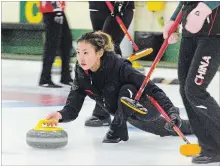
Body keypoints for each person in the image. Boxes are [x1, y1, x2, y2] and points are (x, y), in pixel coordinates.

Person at [44, 31, 193, 144]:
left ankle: (116, 128)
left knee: (126, 89)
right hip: (128, 116)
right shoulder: (81, 73)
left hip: (145, 108)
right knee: (169, 129)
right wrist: (60, 115)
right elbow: (72, 107)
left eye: (86, 52)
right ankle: (199, 125)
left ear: (99, 53)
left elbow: (152, 89)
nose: (81, 58)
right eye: (78, 52)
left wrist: (172, 112)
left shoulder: (120, 67)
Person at [163, 1, 220, 164]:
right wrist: (174, 20)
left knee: (194, 90)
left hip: (212, 34)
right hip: (190, 33)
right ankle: (210, 146)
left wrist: (204, 9)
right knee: (185, 90)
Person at [86, 1, 135, 127]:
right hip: (97, 5)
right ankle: (120, 101)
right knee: (99, 49)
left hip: (119, 5)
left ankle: (102, 111)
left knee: (107, 49)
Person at [39, 1, 73, 88]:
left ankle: (66, 77)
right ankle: (45, 79)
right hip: (52, 10)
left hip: (58, 9)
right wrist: (57, 11)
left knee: (66, 42)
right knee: (52, 44)